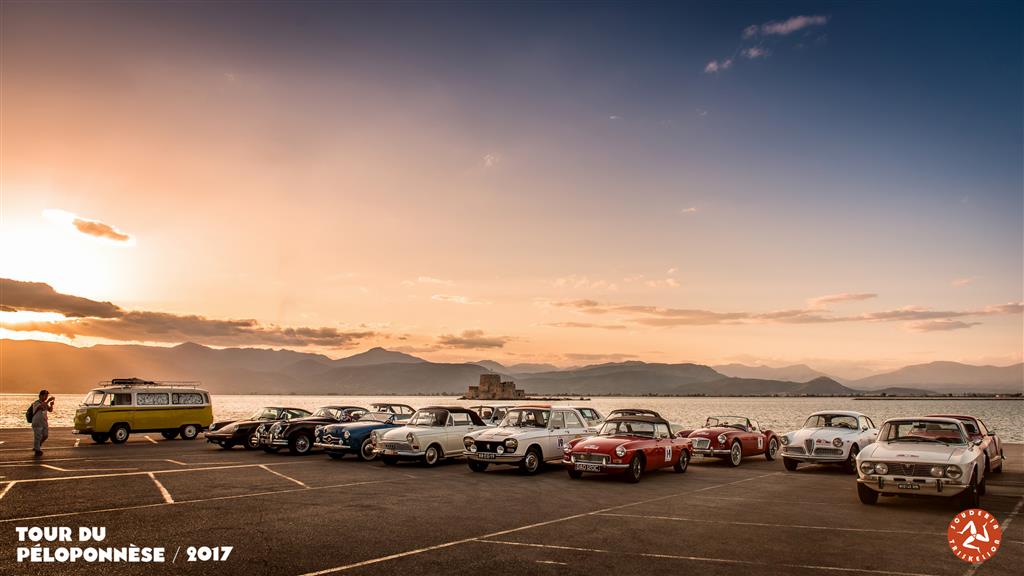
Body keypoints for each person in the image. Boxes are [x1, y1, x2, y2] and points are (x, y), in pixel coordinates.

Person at [31, 390, 54, 456]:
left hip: (44, 421)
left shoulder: (45, 403)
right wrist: (48, 401)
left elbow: (50, 410)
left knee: (45, 435)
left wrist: (51, 405)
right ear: (40, 396)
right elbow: (41, 407)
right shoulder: (36, 403)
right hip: (37, 421)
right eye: (45, 396)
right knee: (37, 436)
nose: (46, 397)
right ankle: (37, 450)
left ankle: (37, 446)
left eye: (47, 396)